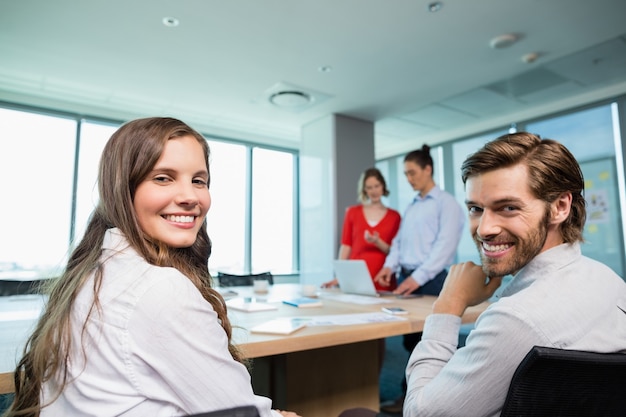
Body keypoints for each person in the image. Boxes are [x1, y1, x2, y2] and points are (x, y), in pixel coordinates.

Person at [3, 117, 300, 417]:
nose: (190, 197)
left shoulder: (93, 272)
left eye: (199, 180)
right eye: (163, 178)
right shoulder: (160, 289)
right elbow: (244, 412)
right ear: (122, 189)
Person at [340, 132, 626, 417]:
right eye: (476, 209)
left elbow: (419, 414)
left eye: (509, 207)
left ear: (560, 207)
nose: (484, 228)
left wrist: (447, 306)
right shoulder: (611, 281)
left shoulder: (515, 319)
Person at [374, 145, 465, 413]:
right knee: (411, 340)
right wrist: (390, 266)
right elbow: (399, 243)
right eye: (405, 174)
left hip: (432, 280)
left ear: (428, 169)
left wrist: (418, 277)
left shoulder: (446, 203)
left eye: (412, 172)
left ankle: (435, 400)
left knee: (434, 341)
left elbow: (445, 246)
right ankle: (413, 396)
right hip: (407, 277)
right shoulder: (412, 206)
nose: (409, 178)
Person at [322, 167, 401, 290]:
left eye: (377, 186)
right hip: (356, 277)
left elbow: (395, 252)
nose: (374, 191)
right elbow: (346, 245)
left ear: (383, 186)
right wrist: (341, 275)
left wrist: (377, 242)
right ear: (364, 190)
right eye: (369, 187)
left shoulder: (394, 216)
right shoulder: (352, 212)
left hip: (382, 278)